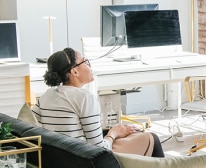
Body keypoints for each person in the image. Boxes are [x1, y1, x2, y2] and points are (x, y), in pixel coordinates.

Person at [32, 48, 166, 157]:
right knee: (150, 138)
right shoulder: (85, 98)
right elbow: (99, 149)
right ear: (74, 71)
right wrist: (113, 133)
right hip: (86, 161)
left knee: (131, 134)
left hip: (65, 158)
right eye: (86, 62)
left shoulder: (45, 96)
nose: (90, 66)